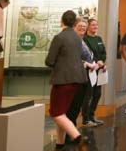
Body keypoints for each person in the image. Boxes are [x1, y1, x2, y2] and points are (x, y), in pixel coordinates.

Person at [45, 10, 90, 150]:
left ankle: (78, 138)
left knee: (56, 113)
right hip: (78, 80)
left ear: (62, 21)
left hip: (63, 80)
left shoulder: (59, 37)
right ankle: (60, 143)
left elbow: (50, 61)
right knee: (62, 113)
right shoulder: (78, 38)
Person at [66, 18, 99, 130]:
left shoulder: (81, 40)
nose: (82, 28)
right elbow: (71, 58)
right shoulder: (72, 40)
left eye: (84, 27)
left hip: (84, 76)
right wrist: (87, 64)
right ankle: (70, 134)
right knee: (72, 107)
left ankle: (72, 131)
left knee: (77, 106)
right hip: (75, 76)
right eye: (80, 26)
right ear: (74, 27)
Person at [82, 18, 107, 126]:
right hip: (90, 69)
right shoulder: (85, 39)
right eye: (93, 25)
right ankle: (86, 119)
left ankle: (92, 116)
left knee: (97, 94)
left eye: (96, 25)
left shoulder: (99, 38)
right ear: (88, 26)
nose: (95, 27)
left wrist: (102, 62)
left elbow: (103, 53)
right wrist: (96, 63)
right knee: (88, 94)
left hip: (99, 70)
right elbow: (88, 54)